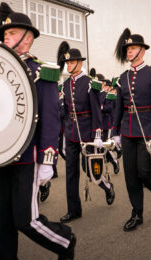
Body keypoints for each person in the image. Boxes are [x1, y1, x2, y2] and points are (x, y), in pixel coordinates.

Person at [0, 3, 75, 260]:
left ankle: (64, 241)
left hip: (26, 157)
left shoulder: (41, 73)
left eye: (12, 32)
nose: (6, 35)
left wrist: (47, 161)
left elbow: (50, 119)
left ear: (27, 39)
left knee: (25, 220)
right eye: (5, 33)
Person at [112, 28, 151, 232]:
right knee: (130, 176)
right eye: (127, 48)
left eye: (133, 48)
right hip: (127, 131)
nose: (129, 51)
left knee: (145, 173)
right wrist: (114, 132)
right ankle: (137, 213)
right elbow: (118, 107)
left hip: (147, 131)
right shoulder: (122, 77)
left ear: (142, 51)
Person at [57, 42, 115, 224]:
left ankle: (107, 187)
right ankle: (73, 210)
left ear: (79, 64)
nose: (68, 65)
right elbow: (65, 111)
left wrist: (97, 134)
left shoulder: (90, 84)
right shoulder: (65, 85)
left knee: (90, 171)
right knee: (71, 172)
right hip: (71, 131)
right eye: (66, 63)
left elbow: (97, 110)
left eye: (71, 62)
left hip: (88, 131)